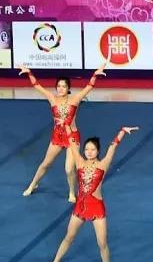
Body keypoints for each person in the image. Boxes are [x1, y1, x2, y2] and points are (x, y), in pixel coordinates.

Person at [46, 124, 138, 262]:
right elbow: (72, 142)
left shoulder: (103, 165)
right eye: (87, 149)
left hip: (96, 207)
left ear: (98, 151)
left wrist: (122, 132)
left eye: (93, 149)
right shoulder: (79, 162)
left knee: (102, 243)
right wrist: (67, 127)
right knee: (69, 237)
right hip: (80, 207)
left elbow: (113, 147)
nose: (89, 152)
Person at [20, 63, 106, 202]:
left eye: (64, 86)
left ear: (68, 88)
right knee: (45, 164)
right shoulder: (52, 98)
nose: (60, 89)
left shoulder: (75, 99)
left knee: (68, 169)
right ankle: (33, 185)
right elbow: (37, 86)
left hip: (72, 137)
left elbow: (89, 87)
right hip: (58, 136)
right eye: (59, 86)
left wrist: (95, 74)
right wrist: (29, 73)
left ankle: (72, 192)